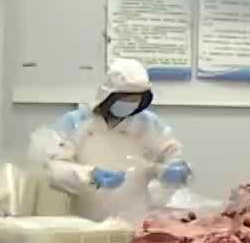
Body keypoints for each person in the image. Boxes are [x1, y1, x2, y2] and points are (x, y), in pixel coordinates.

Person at [37, 58, 191, 221]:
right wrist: (90, 176)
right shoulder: (76, 122)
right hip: (85, 221)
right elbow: (53, 169)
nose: (130, 104)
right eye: (125, 98)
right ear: (108, 95)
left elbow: (173, 154)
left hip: (136, 219)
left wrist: (176, 169)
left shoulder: (148, 124)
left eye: (136, 99)